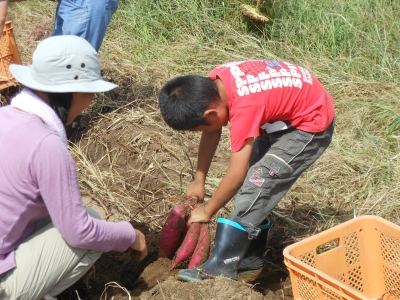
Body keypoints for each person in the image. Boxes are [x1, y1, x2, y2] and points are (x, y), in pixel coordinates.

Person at [158, 59, 335, 281]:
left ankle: (221, 267)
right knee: (256, 181)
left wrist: (207, 211)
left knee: (257, 182)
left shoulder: (245, 107)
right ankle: (250, 258)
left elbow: (235, 176)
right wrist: (199, 179)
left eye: (199, 127)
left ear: (211, 114)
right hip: (279, 118)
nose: (205, 130)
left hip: (308, 126)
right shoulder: (215, 83)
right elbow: (211, 131)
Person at [0, 35, 147, 300]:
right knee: (91, 228)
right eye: (91, 93)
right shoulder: (46, 144)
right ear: (74, 92)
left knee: (83, 212)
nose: (90, 100)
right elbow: (79, 232)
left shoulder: (5, 116)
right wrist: (129, 235)